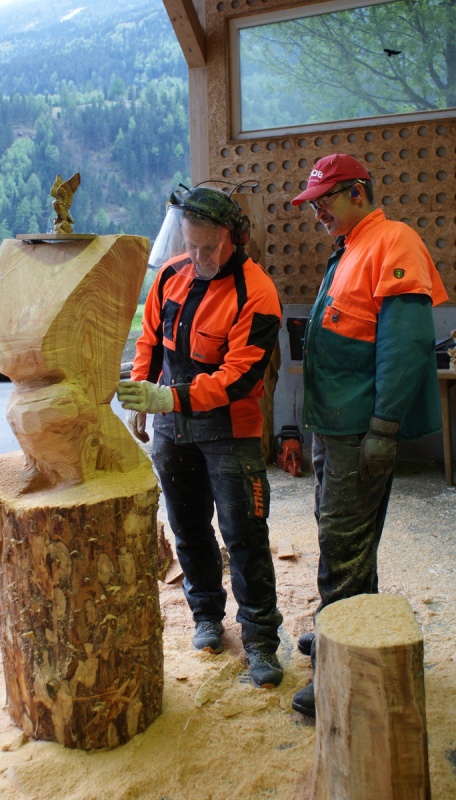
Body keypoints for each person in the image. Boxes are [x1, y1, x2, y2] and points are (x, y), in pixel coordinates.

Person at [288, 153, 448, 718]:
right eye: (312, 205)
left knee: (343, 545)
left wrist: (384, 427)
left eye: (324, 201)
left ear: (357, 192)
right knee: (342, 537)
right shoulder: (350, 246)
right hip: (335, 423)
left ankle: (342, 673)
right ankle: (346, 628)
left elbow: (405, 345)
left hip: (360, 427)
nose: (317, 213)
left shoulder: (393, 240)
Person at [117, 184, 284, 688]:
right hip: (173, 426)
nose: (198, 257)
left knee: (244, 534)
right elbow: (150, 341)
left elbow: (240, 378)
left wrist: (168, 398)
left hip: (230, 428)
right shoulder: (171, 275)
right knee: (188, 527)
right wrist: (144, 392)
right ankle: (206, 615)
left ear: (234, 238)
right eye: (190, 245)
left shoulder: (257, 293)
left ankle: (260, 638)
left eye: (208, 248)